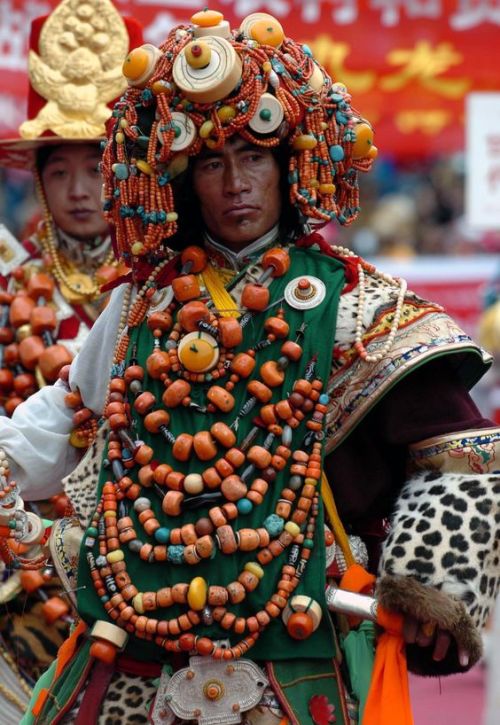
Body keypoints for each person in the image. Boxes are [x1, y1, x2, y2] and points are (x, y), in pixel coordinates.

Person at [0, 8, 498, 724]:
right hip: (140, 652)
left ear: (288, 164)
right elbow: (57, 427)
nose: (235, 182)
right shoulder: (140, 303)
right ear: (181, 178)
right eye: (211, 162)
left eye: (254, 157)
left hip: (294, 658)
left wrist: (429, 584)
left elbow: (460, 454)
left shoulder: (358, 305)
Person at [0, 0, 143, 707]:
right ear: (39, 179)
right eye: (61, 172)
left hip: (149, 557)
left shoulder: (166, 291)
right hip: (21, 571)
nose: (82, 190)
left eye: (98, 166)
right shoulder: (7, 287)